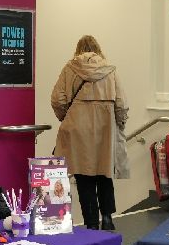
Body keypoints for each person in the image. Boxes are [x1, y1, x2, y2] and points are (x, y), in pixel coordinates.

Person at [51, 35, 128, 231]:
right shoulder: (110, 70)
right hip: (105, 127)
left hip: (78, 128)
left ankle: (91, 223)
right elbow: (122, 104)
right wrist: (119, 123)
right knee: (104, 175)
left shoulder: (70, 69)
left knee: (83, 177)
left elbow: (57, 100)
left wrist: (67, 117)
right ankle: (108, 217)